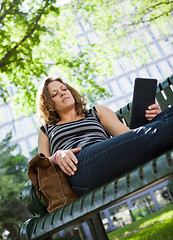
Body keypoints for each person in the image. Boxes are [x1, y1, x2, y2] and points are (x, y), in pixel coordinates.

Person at [37, 77, 173, 196]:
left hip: (109, 159)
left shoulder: (97, 112)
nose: (62, 93)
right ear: (49, 104)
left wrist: (156, 119)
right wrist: (57, 156)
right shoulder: (47, 130)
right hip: (78, 169)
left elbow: (129, 136)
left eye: (64, 89)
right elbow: (41, 166)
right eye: (55, 94)